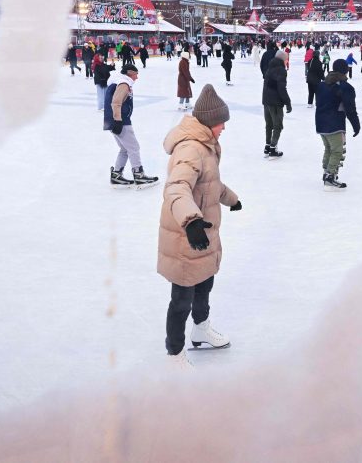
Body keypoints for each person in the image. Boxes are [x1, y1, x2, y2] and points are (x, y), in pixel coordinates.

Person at [158, 84, 241, 368]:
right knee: (182, 299)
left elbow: (209, 184)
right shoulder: (190, 149)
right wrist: (191, 221)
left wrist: (231, 199)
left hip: (203, 235)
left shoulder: (206, 145)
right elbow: (177, 187)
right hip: (186, 237)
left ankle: (201, 329)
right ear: (208, 122)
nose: (223, 129)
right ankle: (175, 355)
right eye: (221, 123)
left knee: (205, 283)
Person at [104, 63, 158, 188]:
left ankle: (116, 175)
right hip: (121, 121)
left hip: (112, 120)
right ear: (129, 73)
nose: (137, 77)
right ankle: (139, 175)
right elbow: (116, 102)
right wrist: (118, 120)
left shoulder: (117, 82)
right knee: (134, 148)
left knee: (125, 149)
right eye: (135, 74)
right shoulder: (123, 83)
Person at [314, 58, 360, 190]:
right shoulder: (345, 87)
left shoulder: (322, 84)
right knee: (337, 150)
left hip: (320, 122)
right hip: (334, 124)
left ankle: (326, 173)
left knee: (329, 148)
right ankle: (330, 177)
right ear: (345, 71)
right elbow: (350, 109)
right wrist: (356, 125)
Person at [261, 49, 292, 158]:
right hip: (275, 102)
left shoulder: (270, 68)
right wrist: (288, 102)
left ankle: (268, 146)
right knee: (277, 125)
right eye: (286, 59)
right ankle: (273, 149)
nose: (287, 61)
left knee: (269, 125)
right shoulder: (281, 70)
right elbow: (281, 88)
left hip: (266, 100)